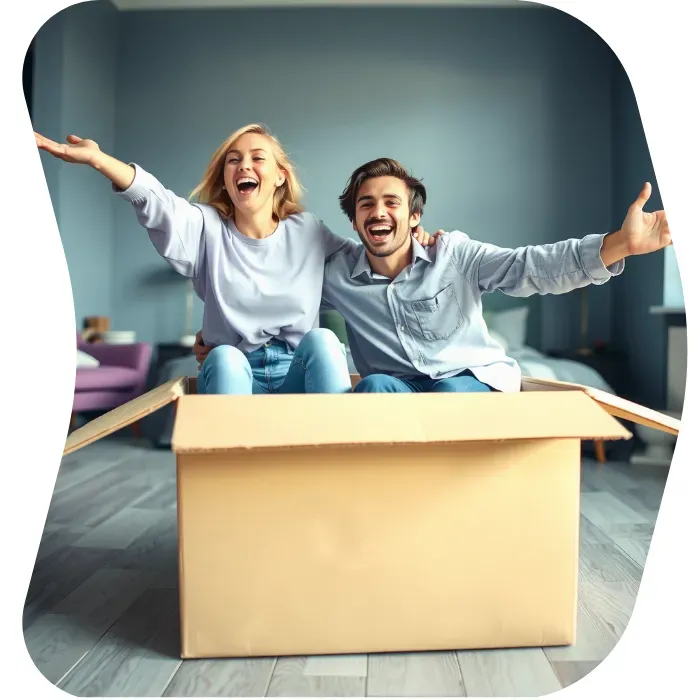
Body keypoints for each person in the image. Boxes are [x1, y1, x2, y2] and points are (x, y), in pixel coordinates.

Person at [193, 156, 671, 394]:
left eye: (390, 203)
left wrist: (620, 244)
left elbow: (533, 267)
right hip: (398, 389)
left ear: (414, 217)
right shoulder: (336, 275)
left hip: (467, 380)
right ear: (355, 222)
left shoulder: (454, 254)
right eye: (366, 206)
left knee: (444, 392)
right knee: (372, 389)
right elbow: (275, 296)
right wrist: (215, 334)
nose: (378, 213)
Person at [34, 126, 439, 396]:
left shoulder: (308, 232)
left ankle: (331, 465)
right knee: (226, 355)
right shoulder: (205, 228)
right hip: (233, 367)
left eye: (257, 158)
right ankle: (230, 474)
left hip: (296, 371)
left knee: (325, 341)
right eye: (233, 159)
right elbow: (156, 203)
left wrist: (413, 239)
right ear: (226, 177)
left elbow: (366, 261)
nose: (244, 165)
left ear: (280, 175)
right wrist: (98, 159)